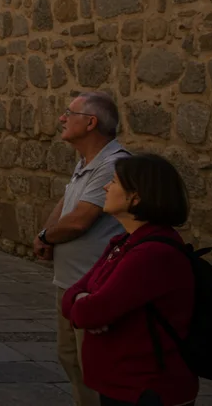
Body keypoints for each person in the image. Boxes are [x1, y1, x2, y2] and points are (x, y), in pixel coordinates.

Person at [61, 154, 197, 406]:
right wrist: (83, 299)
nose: (105, 187)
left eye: (113, 182)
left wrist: (87, 304)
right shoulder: (124, 242)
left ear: (135, 197)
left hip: (146, 389)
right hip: (122, 385)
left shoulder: (152, 254)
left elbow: (91, 313)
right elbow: (72, 294)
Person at [35, 92, 129, 406]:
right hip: (70, 284)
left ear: (91, 122)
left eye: (68, 113)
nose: (62, 118)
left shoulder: (114, 164)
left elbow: (80, 220)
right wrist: (44, 235)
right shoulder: (87, 162)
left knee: (93, 367)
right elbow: (66, 203)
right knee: (71, 359)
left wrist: (48, 238)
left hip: (94, 287)